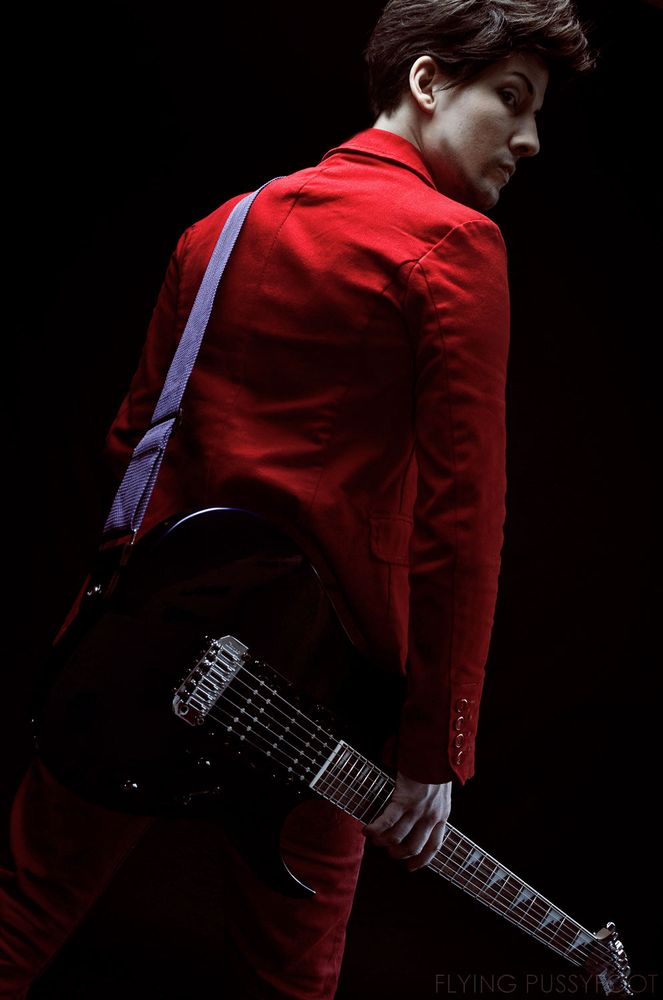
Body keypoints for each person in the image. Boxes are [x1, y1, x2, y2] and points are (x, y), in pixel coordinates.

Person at [0, 1, 594, 997]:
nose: (531, 141)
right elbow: (462, 522)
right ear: (429, 82)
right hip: (322, 687)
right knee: (289, 976)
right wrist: (431, 752)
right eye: (514, 99)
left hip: (140, 647)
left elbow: (129, 441)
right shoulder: (455, 249)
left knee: (20, 910)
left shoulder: (218, 228)